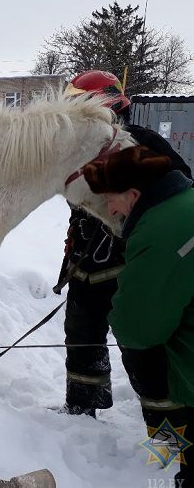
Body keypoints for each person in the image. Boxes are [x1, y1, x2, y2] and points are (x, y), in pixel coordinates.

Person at [57, 70, 192, 420]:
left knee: (141, 344)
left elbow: (173, 192)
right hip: (88, 259)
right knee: (81, 328)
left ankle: (167, 425)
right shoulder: (86, 150)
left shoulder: (140, 143)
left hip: (132, 259)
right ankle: (84, 401)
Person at [83, 146, 194, 487]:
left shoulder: (158, 231)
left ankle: (166, 448)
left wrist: (122, 317)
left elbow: (138, 328)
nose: (110, 210)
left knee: (148, 369)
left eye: (112, 200)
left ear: (134, 193)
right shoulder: (182, 203)